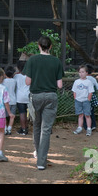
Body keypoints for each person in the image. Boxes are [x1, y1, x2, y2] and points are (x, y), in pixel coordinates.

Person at [22, 36, 64, 170]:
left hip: (36, 97)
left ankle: (37, 151)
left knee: (36, 125)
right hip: (51, 96)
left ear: (39, 46)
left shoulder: (32, 60)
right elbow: (59, 85)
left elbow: (27, 82)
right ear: (50, 47)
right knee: (46, 129)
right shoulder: (56, 61)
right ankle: (41, 161)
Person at [72, 65, 94, 136]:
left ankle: (89, 128)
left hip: (85, 100)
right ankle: (79, 127)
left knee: (87, 115)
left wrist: (88, 100)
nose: (81, 74)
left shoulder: (89, 82)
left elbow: (90, 92)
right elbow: (74, 91)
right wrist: (75, 98)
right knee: (80, 115)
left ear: (86, 73)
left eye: (83, 72)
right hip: (78, 100)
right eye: (80, 72)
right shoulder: (76, 82)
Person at [14, 60, 30, 135]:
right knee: (27, 112)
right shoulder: (30, 75)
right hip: (28, 96)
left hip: (20, 97)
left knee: (22, 112)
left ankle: (23, 129)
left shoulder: (16, 76)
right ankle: (25, 127)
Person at [83, 64, 98, 131]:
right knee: (91, 111)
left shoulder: (83, 79)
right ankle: (93, 125)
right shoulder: (93, 79)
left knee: (84, 111)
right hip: (92, 97)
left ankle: (86, 126)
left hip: (84, 96)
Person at [3, 65, 17, 135]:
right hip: (13, 100)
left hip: (5, 101)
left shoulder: (3, 81)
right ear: (13, 74)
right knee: (12, 116)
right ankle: (9, 129)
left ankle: (5, 128)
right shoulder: (14, 81)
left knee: (4, 115)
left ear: (5, 74)